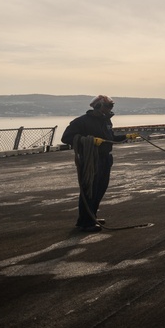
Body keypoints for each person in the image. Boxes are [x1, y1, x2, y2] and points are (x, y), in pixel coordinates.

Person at [61, 95, 138, 232]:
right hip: (91, 160)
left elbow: (110, 138)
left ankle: (92, 216)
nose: (110, 109)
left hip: (105, 159)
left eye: (111, 106)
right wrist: (88, 140)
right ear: (97, 106)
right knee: (89, 190)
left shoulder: (106, 122)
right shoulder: (81, 122)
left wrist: (125, 137)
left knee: (100, 189)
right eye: (108, 106)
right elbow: (66, 138)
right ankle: (85, 222)